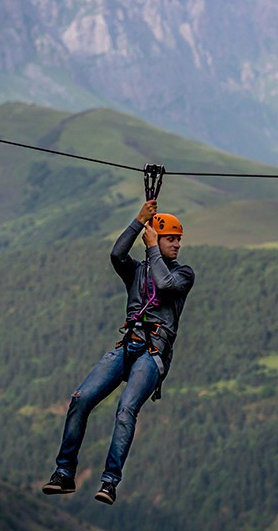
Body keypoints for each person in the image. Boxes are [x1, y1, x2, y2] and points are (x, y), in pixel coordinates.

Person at [41, 198, 195, 505]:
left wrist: (152, 246)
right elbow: (116, 253)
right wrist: (139, 221)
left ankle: (110, 482)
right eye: (170, 238)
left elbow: (164, 285)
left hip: (152, 354)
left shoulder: (184, 274)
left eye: (178, 239)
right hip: (128, 345)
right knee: (80, 399)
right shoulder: (136, 271)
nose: (177, 243)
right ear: (157, 237)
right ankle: (64, 473)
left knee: (126, 411)